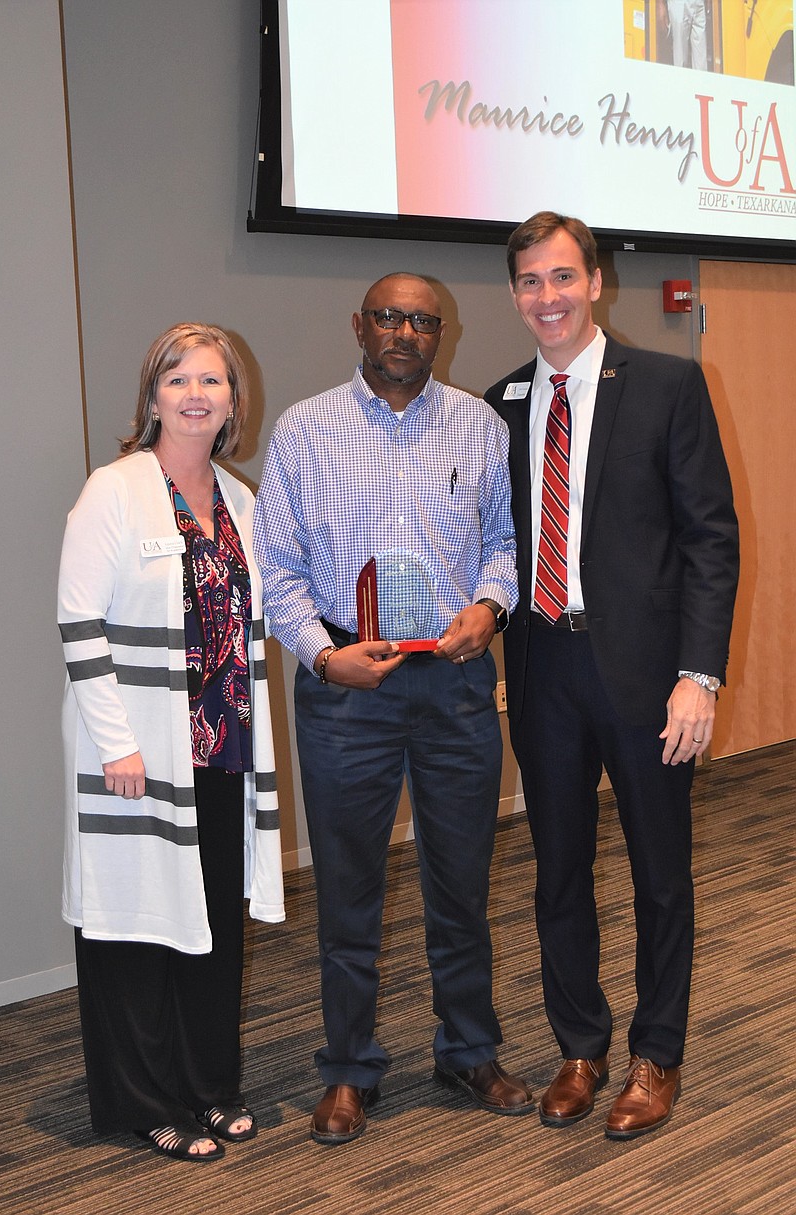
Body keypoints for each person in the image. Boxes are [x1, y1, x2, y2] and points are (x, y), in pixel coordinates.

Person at [255, 272, 533, 1144]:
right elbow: (278, 567)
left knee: (462, 883)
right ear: (359, 325)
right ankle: (347, 1067)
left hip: (453, 683)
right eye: (388, 316)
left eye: (421, 319)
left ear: (440, 333)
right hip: (348, 688)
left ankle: (469, 1049)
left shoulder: (480, 426)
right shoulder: (304, 429)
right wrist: (326, 655)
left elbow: (504, 543)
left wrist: (488, 607)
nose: (404, 331)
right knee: (349, 892)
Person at [484, 213, 738, 1140]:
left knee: (660, 873)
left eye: (561, 277)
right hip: (544, 666)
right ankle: (580, 1046)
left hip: (645, 675)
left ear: (595, 281)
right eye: (528, 282)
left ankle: (656, 1053)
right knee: (558, 869)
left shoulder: (668, 383)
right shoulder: (500, 402)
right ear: (515, 294)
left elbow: (712, 538)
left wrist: (698, 674)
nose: (545, 298)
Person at [58, 323, 285, 1161]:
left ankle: (208, 1087)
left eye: (212, 382)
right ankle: (143, 1100)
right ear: (152, 395)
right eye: (179, 379)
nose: (196, 394)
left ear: (233, 400)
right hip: (140, 758)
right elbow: (79, 624)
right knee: (137, 929)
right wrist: (118, 745)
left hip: (222, 750)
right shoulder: (113, 491)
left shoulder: (240, 500)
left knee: (213, 926)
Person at [659, 0, 708, 70]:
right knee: (680, 56)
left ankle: (701, 80)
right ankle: (681, 80)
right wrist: (661, 5)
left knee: (701, 58)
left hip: (698, 3)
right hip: (679, 4)